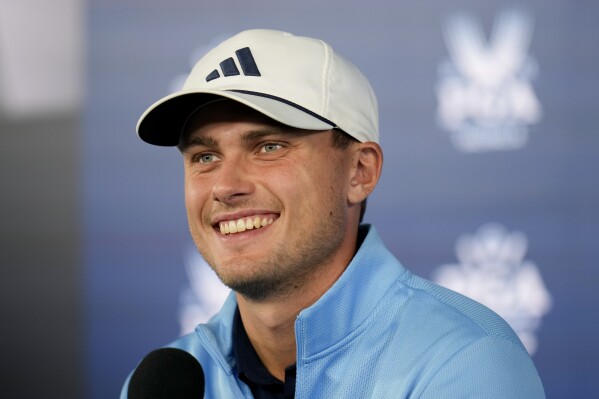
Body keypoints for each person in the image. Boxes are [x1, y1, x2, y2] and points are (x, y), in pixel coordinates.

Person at [121, 29, 545, 398]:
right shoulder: (166, 383)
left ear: (360, 171)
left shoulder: (464, 364)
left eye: (269, 147)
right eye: (205, 156)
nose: (226, 186)